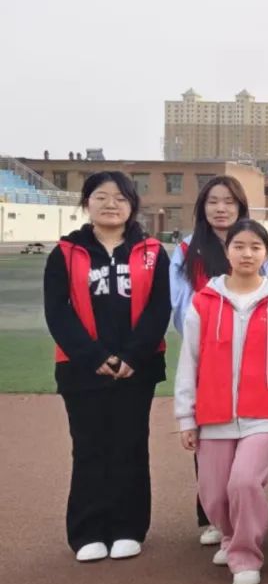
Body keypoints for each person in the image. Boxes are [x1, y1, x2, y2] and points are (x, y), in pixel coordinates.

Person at [44, 171, 171, 563]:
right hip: (82, 370)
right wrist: (94, 357)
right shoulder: (65, 253)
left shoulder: (152, 252)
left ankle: (128, 528)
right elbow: (57, 313)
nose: (110, 204)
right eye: (100, 196)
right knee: (89, 448)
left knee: (130, 446)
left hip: (138, 369)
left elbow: (159, 309)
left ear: (132, 205)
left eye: (120, 197)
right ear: (87, 203)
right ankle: (88, 531)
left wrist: (132, 356)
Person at [173, 219, 268, 584]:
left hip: (263, 412)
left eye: (255, 247)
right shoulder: (204, 300)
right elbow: (189, 360)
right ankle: (231, 536)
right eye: (239, 246)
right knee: (214, 493)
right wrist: (186, 416)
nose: (247, 254)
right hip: (213, 412)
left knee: (245, 482)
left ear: (267, 253)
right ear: (227, 251)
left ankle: (246, 554)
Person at [170, 175, 257, 546]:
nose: (221, 209)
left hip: (250, 356)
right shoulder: (187, 250)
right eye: (213, 202)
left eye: (229, 202)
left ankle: (240, 515)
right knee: (210, 438)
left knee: (248, 435)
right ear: (202, 207)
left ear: (241, 207)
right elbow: (179, 304)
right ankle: (210, 516)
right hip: (209, 355)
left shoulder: (254, 244)